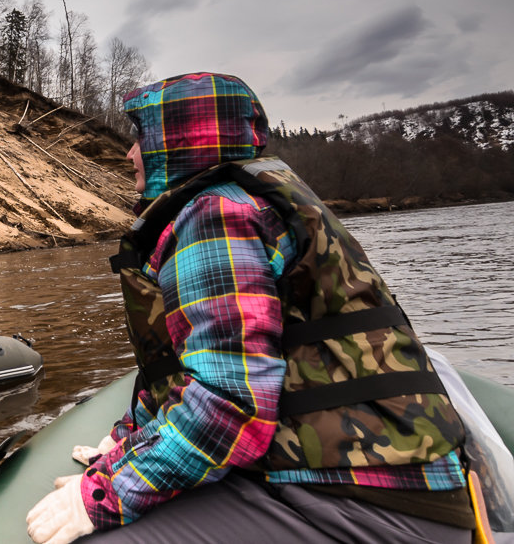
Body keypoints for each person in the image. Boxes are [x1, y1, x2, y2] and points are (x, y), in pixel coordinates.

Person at [27, 72, 473, 544]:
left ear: (178, 141)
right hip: (393, 480)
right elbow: (197, 368)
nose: (129, 153)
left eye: (142, 137)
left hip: (372, 503)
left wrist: (106, 492)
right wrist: (129, 443)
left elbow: (230, 405)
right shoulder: (253, 197)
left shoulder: (215, 216)